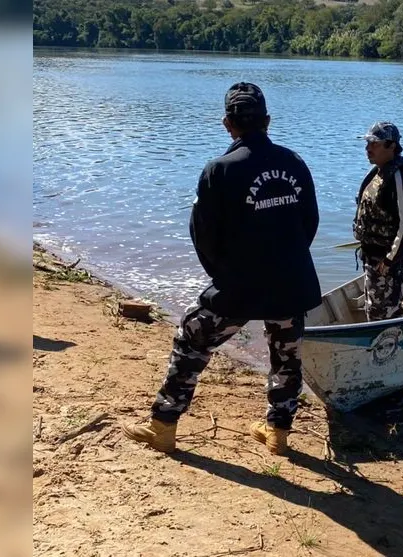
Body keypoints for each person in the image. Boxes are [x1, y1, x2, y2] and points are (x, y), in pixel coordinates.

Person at [122, 82, 321, 456]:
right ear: (267, 121)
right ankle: (278, 434)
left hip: (241, 285)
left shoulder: (220, 170)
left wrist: (224, 277)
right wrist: (287, 260)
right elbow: (309, 222)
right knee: (287, 354)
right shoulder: (294, 162)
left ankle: (163, 426)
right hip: (292, 281)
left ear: (227, 124)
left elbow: (203, 236)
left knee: (191, 339)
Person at [352, 122, 403, 321]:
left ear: (391, 146)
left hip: (386, 259)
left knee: (380, 314)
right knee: (381, 309)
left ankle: (388, 347)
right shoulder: (379, 172)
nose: (368, 148)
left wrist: (390, 260)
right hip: (373, 256)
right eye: (367, 143)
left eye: (374, 144)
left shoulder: (400, 176)